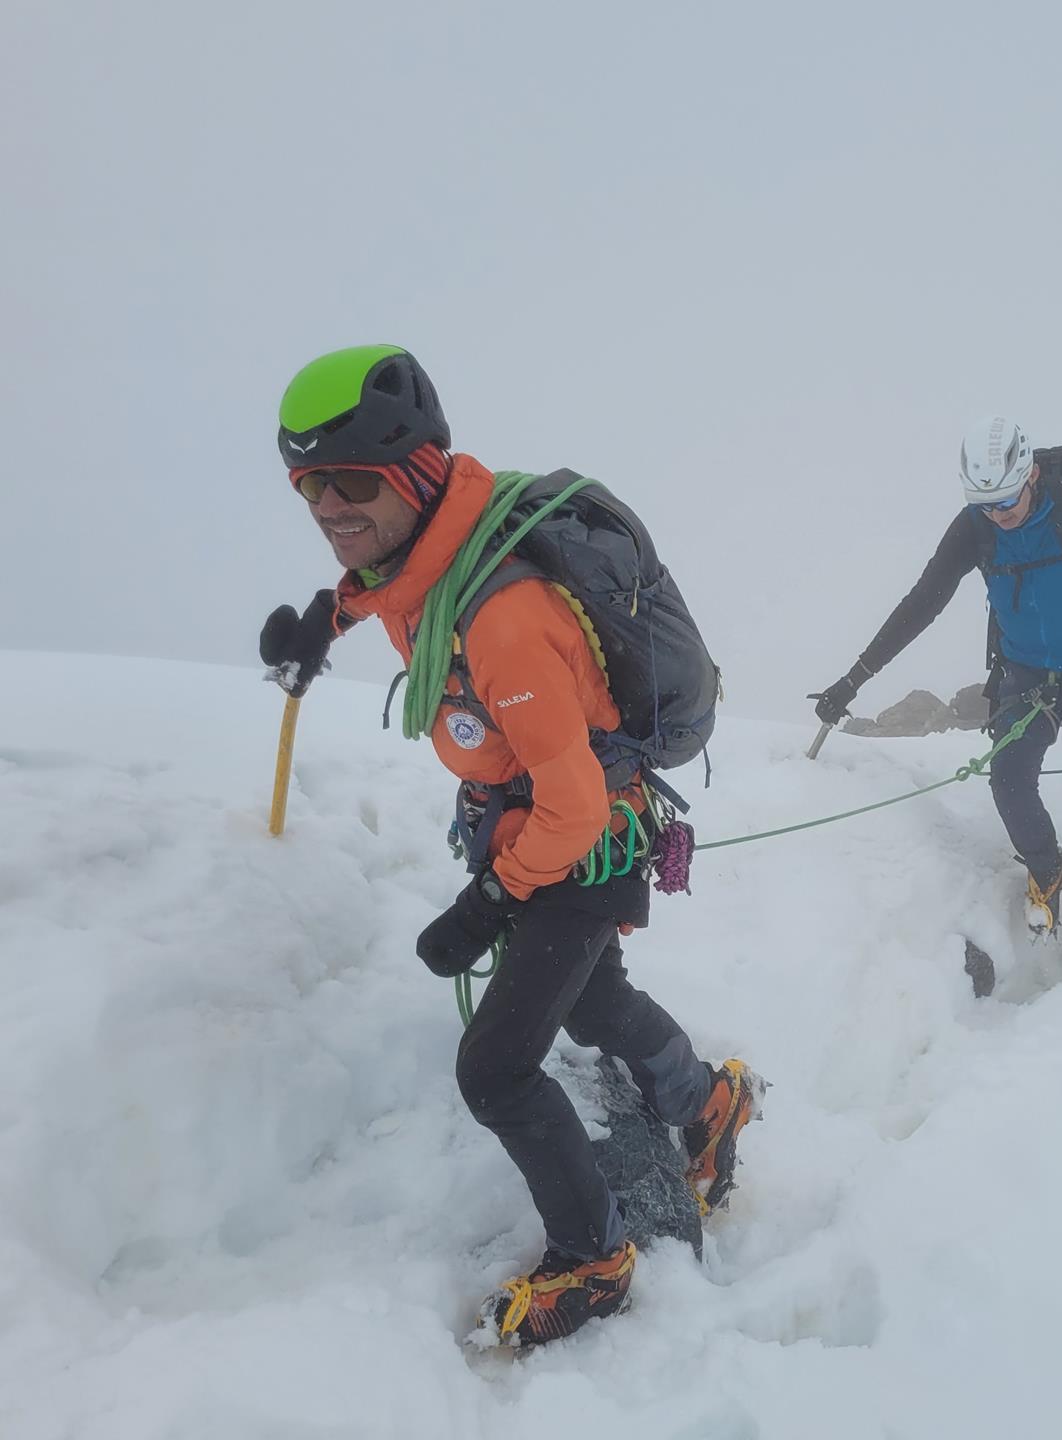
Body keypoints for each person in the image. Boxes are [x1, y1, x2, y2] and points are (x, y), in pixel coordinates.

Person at [258, 345, 759, 1346]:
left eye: (351, 479)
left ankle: (594, 1263)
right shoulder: (426, 555)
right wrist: (324, 621)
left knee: (494, 1070)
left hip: (580, 844)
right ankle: (710, 1101)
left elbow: (572, 810)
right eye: (309, 484)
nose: (330, 505)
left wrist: (489, 900)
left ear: (414, 471)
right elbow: (387, 581)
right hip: (538, 827)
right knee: (595, 1001)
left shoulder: (503, 621)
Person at [810, 416, 1062, 975]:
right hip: (1026, 672)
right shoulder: (976, 526)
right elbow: (923, 602)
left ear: (1032, 475)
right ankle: (1047, 870)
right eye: (986, 504)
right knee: (1009, 780)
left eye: (1007, 500)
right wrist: (854, 679)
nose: (999, 514)